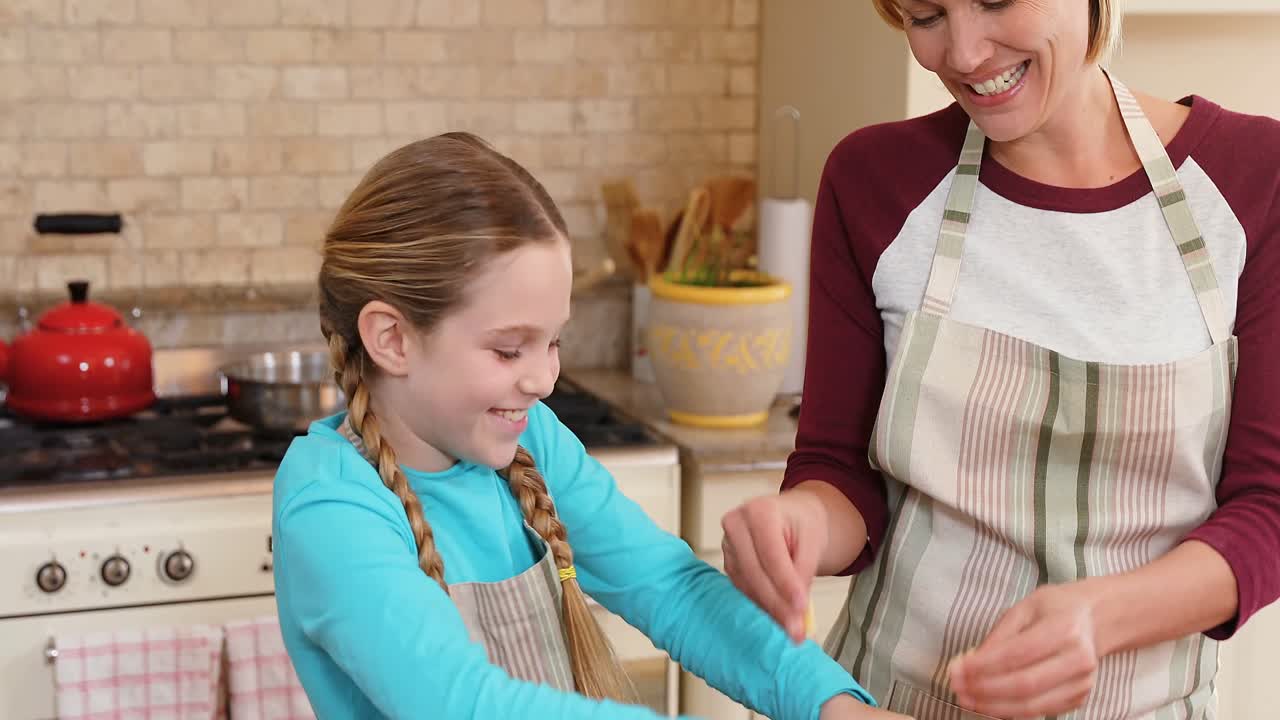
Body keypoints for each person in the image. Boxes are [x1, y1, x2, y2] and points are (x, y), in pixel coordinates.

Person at [720, 0, 1280, 718]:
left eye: (994, 0)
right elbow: (841, 474)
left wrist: (1099, 618)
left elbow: (1267, 508)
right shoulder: (872, 180)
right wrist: (797, 524)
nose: (964, 51)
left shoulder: (1253, 178)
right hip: (888, 702)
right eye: (926, 15)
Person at [270, 132, 911, 720]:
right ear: (392, 339)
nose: (543, 379)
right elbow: (460, 703)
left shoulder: (531, 440)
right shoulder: (331, 502)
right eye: (507, 349)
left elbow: (672, 590)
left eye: (553, 343)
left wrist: (830, 704)